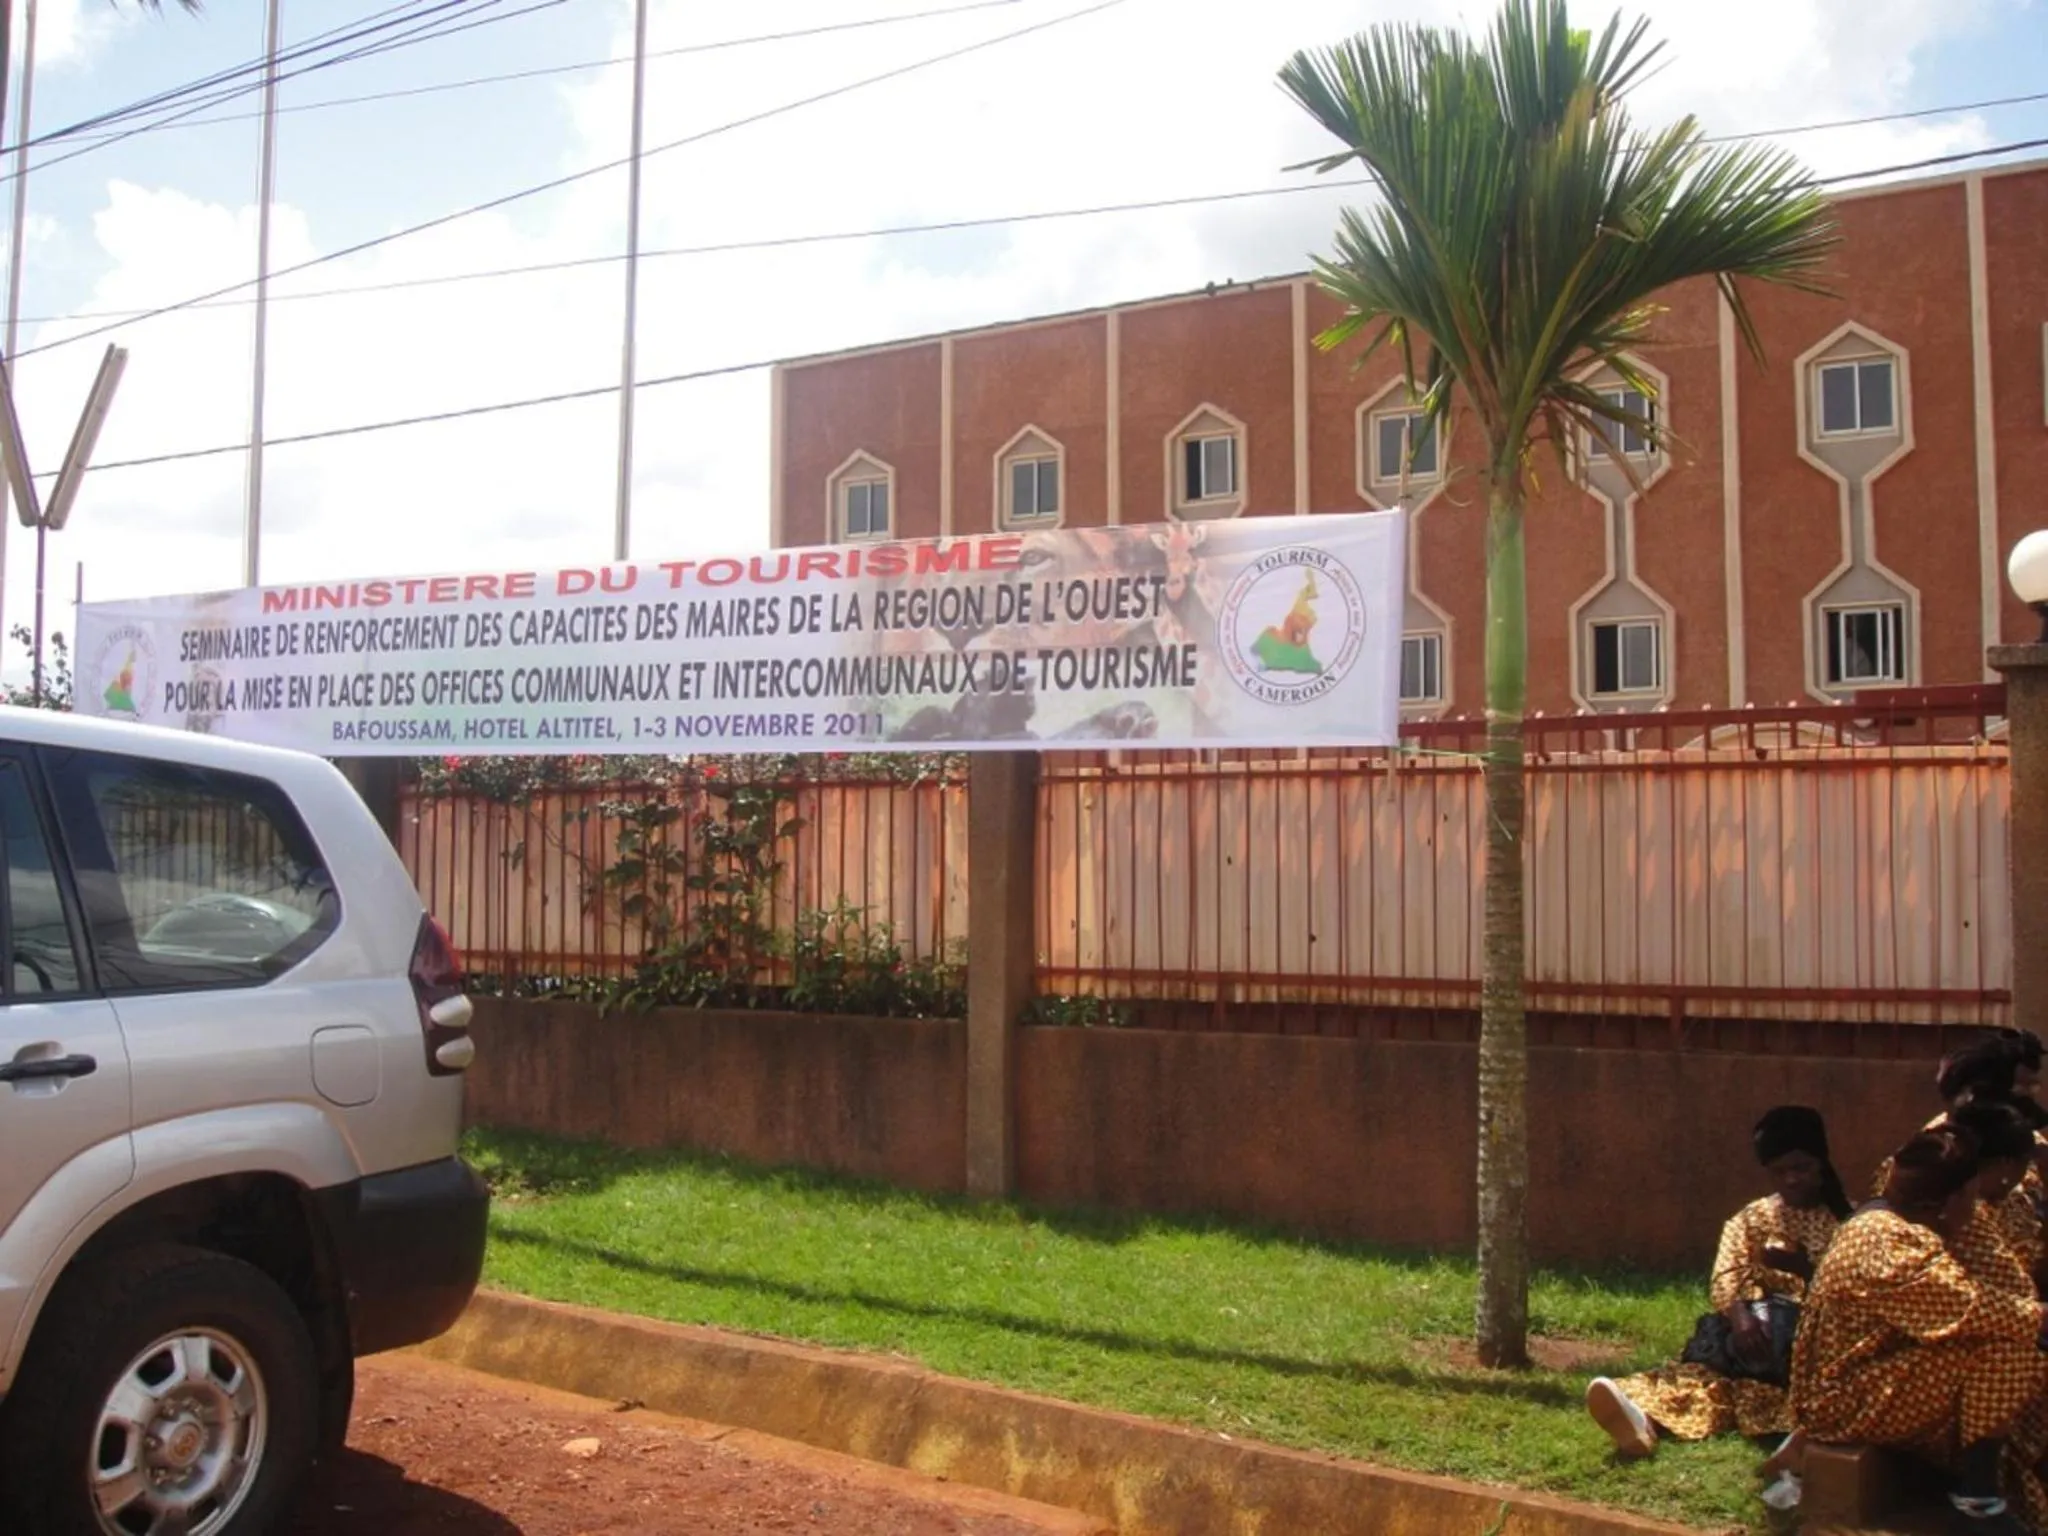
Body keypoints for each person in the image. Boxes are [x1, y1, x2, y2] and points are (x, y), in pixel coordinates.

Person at [1789, 1128, 2048, 1535]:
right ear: (1946, 1201)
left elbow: (2011, 1287)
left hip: (1885, 1372)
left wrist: (1964, 1219)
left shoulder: (1920, 1217)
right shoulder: (1883, 1243)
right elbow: (1975, 1308)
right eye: (1971, 1196)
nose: (1977, 1206)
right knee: (2004, 1351)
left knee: (2019, 1348)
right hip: (1839, 1399)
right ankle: (1978, 1504)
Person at [1585, 1106, 1851, 1464]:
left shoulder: (1851, 1223)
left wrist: (1803, 1270)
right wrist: (1741, 1318)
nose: (1791, 1179)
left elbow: (1851, 1293)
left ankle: (1799, 1433)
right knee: (1706, 1381)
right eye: (1779, 1171)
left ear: (1821, 1163)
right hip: (1751, 1339)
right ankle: (1640, 1421)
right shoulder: (1752, 1219)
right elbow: (1727, 1274)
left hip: (1812, 1346)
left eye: (1801, 1168)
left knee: (1767, 1393)